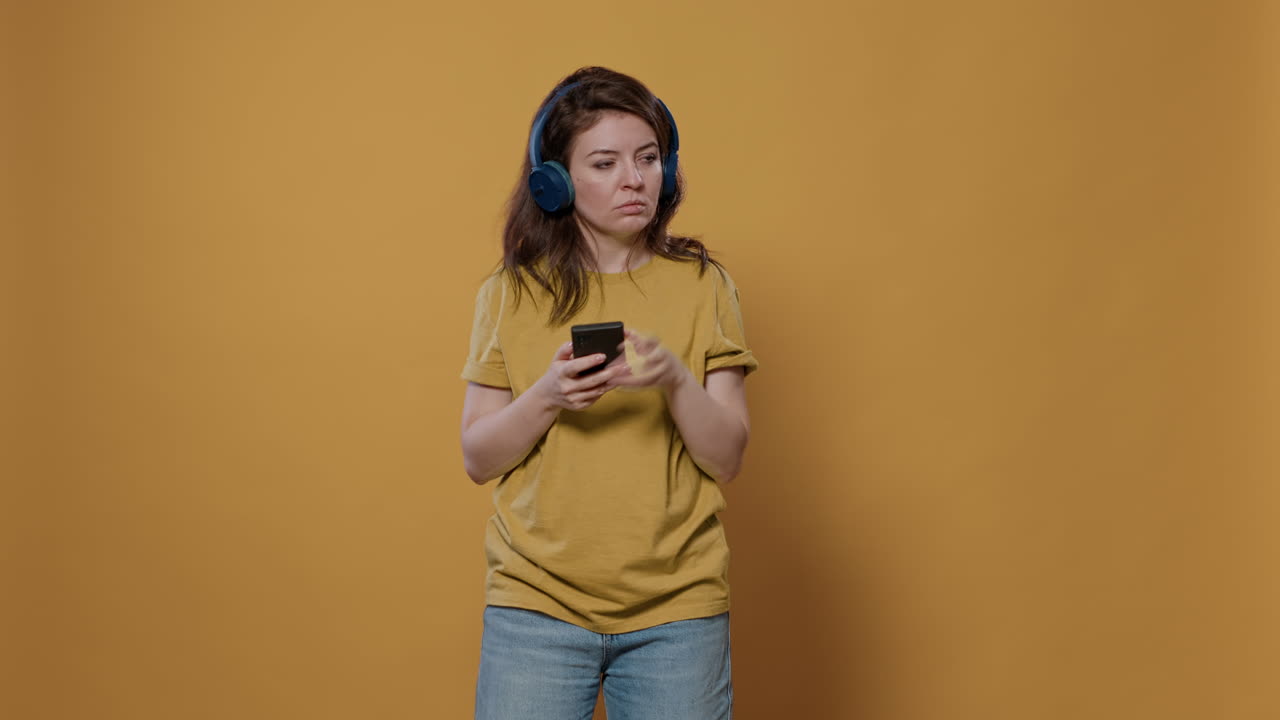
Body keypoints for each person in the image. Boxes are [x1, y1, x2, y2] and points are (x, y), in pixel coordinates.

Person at [460, 66, 758, 720]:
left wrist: (674, 379)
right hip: (535, 606)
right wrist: (547, 395)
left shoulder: (705, 286)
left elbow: (728, 457)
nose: (635, 178)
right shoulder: (509, 294)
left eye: (649, 159)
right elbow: (478, 457)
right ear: (556, 181)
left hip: (678, 610)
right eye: (605, 162)